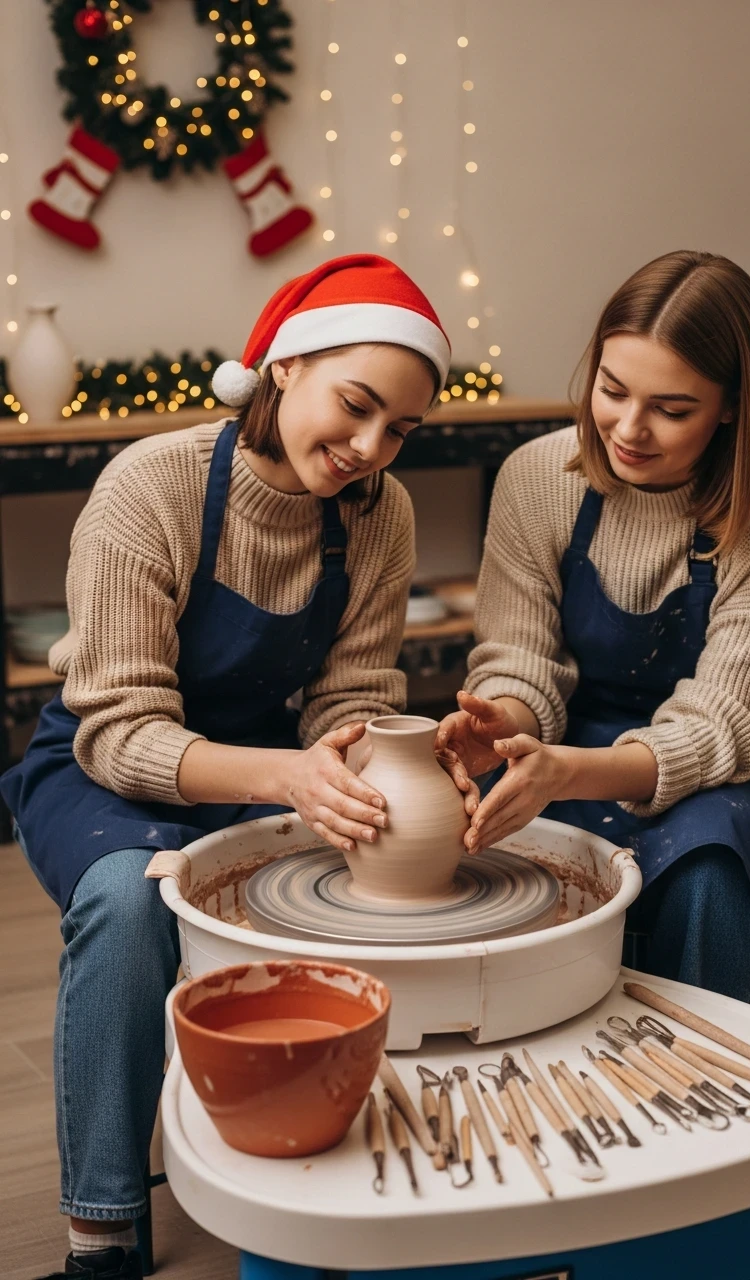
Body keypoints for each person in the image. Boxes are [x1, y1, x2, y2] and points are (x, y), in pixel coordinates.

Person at [2, 254, 474, 1280]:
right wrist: (289, 779)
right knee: (132, 901)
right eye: (354, 407)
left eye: (399, 430)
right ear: (284, 366)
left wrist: (375, 764)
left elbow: (353, 695)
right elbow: (121, 729)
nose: (367, 449)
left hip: (272, 759)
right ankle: (104, 1229)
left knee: (367, 870)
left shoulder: (377, 514)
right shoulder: (151, 487)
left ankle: (333, 1171)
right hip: (105, 766)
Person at [438, 250, 750, 1009]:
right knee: (511, 890)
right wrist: (505, 727)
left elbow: (728, 722)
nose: (629, 427)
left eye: (673, 409)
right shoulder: (536, 477)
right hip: (567, 737)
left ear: (731, 406)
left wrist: (568, 770)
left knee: (707, 871)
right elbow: (522, 662)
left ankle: (721, 1100)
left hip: (728, 761)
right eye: (612, 390)